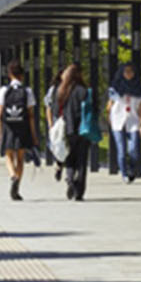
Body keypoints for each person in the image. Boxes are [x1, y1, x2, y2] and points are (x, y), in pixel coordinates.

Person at [0, 60, 38, 200]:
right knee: (20, 158)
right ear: (22, 75)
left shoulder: (3, 90)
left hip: (9, 128)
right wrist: (33, 134)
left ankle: (12, 176)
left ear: (9, 74)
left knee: (8, 156)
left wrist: (0, 131)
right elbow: (31, 115)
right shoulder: (28, 91)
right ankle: (17, 184)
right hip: (23, 128)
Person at [54, 61, 91, 200]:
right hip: (82, 129)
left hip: (66, 129)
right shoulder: (84, 90)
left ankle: (70, 180)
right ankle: (79, 191)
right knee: (81, 161)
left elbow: (56, 111)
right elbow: (91, 110)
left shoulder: (60, 90)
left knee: (69, 158)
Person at [107, 62, 141, 183]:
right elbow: (109, 106)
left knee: (133, 149)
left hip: (133, 120)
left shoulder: (138, 88)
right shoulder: (115, 89)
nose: (129, 74)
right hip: (118, 120)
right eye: (126, 71)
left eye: (131, 71)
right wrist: (110, 119)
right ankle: (124, 174)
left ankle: (131, 169)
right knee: (121, 149)